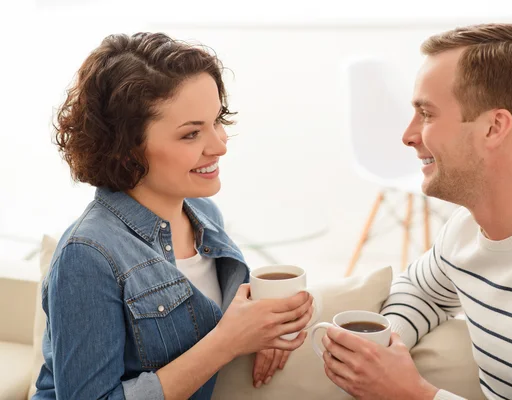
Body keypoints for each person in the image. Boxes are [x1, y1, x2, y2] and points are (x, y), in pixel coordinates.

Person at [321, 23, 512, 399]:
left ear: (494, 127)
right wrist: (385, 351)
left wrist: (412, 393)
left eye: (427, 114)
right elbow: (421, 291)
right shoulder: (468, 229)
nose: (408, 135)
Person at [32, 32, 312, 400]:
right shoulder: (86, 255)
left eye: (218, 120)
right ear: (127, 149)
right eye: (192, 134)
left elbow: (200, 320)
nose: (219, 145)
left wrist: (263, 330)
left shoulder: (203, 215)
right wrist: (228, 342)